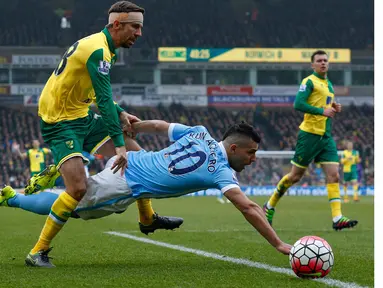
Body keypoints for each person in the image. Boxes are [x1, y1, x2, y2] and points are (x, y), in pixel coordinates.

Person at [0, 120, 292, 267]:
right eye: (251, 153)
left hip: (134, 161)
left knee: (150, 167)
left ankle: (147, 218)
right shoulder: (221, 173)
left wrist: (131, 128)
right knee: (75, 204)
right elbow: (250, 208)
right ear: (233, 148)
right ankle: (13, 198)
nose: (253, 159)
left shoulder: (200, 131)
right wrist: (279, 244)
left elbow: (160, 126)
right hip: (124, 182)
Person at [25, 1, 181, 267]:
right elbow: (105, 101)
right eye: (135, 27)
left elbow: (100, 95)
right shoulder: (98, 50)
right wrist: (118, 142)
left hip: (81, 114)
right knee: (77, 189)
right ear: (116, 24)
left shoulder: (105, 48)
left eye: (140, 27)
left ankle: (147, 217)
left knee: (137, 157)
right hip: (60, 122)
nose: (139, 33)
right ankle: (37, 251)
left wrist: (120, 113)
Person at [263, 50, 358, 231]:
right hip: (309, 135)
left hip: (326, 137)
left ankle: (337, 217)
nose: (323, 63)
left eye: (325, 60)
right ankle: (269, 205)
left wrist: (333, 107)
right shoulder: (308, 81)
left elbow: (324, 104)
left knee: (334, 175)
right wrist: (323, 111)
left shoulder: (328, 84)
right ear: (312, 65)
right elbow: (298, 104)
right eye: (319, 60)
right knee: (295, 176)